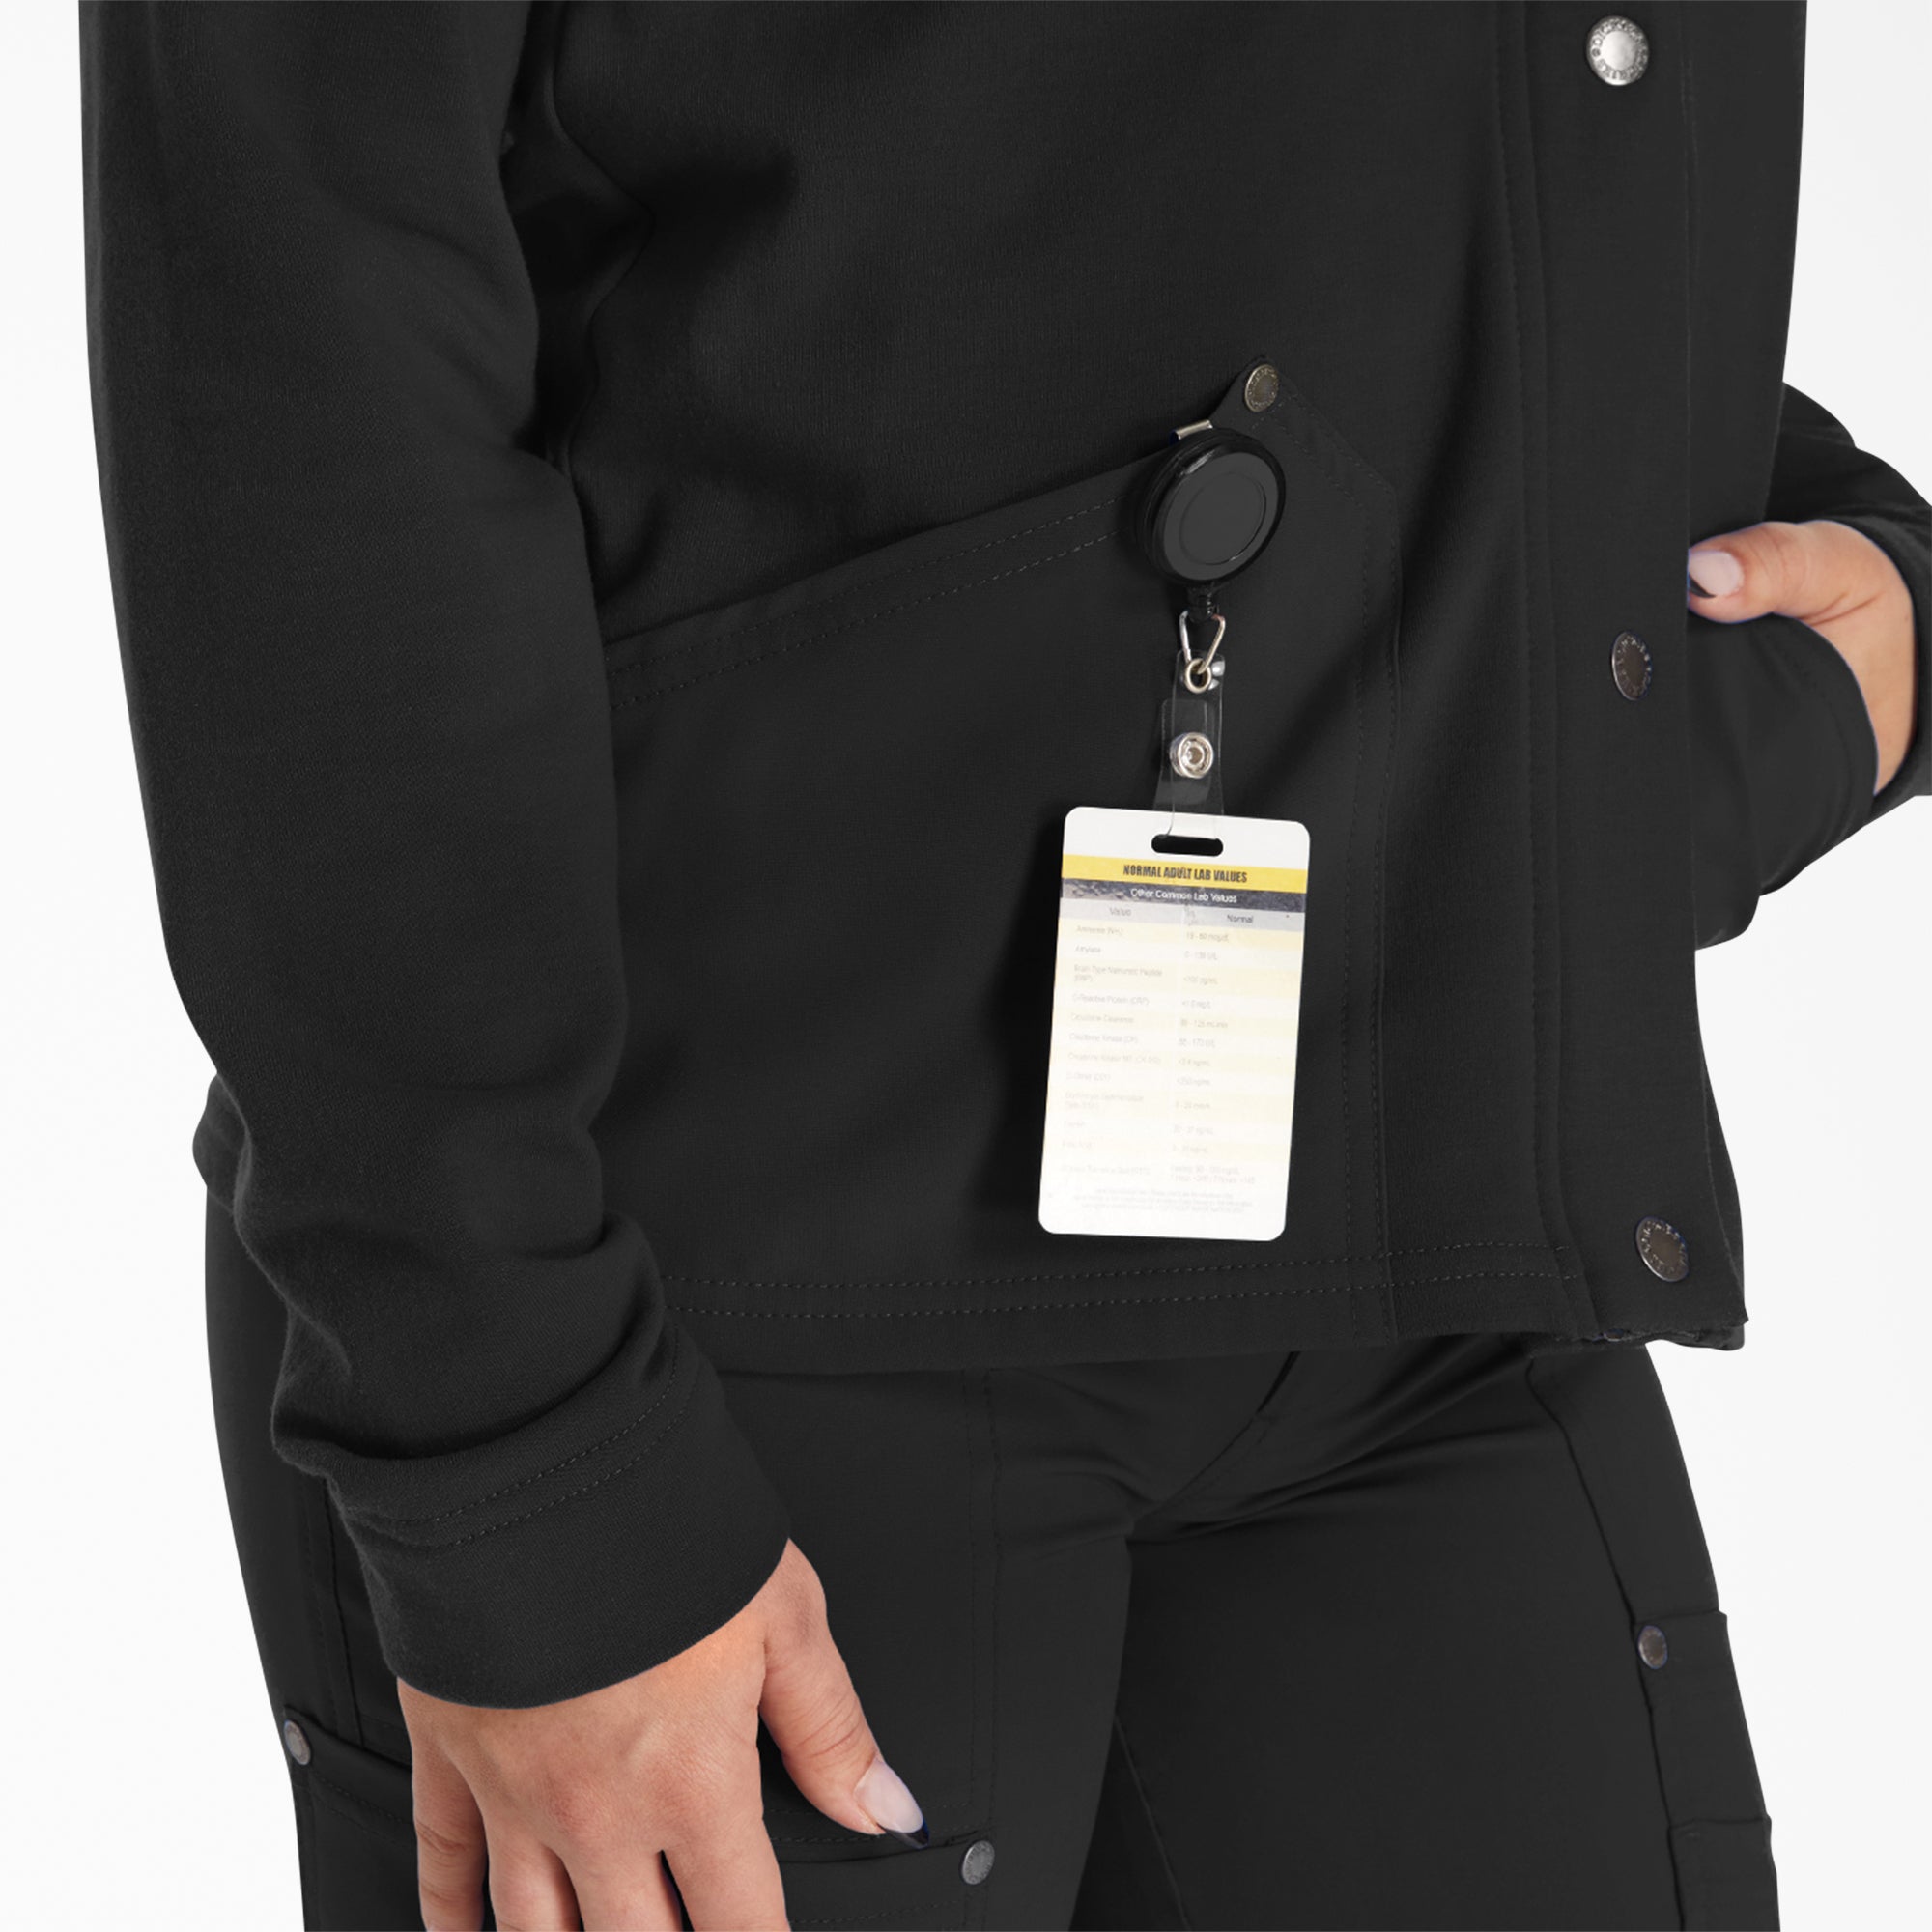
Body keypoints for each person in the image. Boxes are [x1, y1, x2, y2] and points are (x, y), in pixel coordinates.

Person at [81, 5, 1924, 1929]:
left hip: (1441, 1253)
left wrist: (1804, 666)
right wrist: (510, 1442)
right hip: (713, 1301)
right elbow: (296, 293)